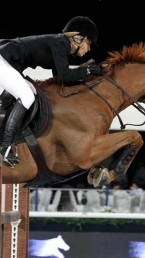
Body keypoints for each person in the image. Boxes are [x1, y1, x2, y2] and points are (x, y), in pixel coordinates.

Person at [0, 16, 103, 167]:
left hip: (8, 62)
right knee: (27, 96)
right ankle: (7, 147)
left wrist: (84, 72)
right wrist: (87, 70)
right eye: (89, 43)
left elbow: (61, 79)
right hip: (3, 59)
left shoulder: (61, 47)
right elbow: (64, 75)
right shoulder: (59, 42)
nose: (89, 49)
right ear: (78, 38)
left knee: (29, 91)